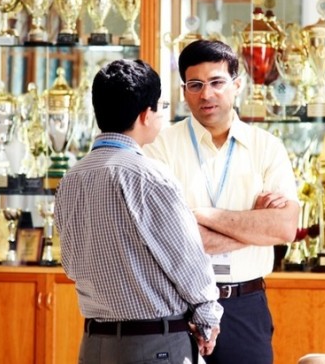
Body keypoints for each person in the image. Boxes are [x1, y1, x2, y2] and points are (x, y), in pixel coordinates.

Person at [54, 59, 222, 364]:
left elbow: (70, 266)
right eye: (159, 108)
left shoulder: (71, 178)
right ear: (146, 114)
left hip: (94, 346)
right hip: (154, 345)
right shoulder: (149, 176)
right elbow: (186, 259)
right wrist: (208, 317)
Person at [144, 40, 300, 364]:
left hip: (244, 306)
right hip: (176, 305)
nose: (206, 94)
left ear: (237, 85)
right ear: (184, 90)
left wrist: (200, 215)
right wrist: (252, 226)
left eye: (217, 82)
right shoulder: (160, 147)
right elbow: (162, 235)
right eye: (196, 85)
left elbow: (284, 228)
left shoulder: (266, 148)